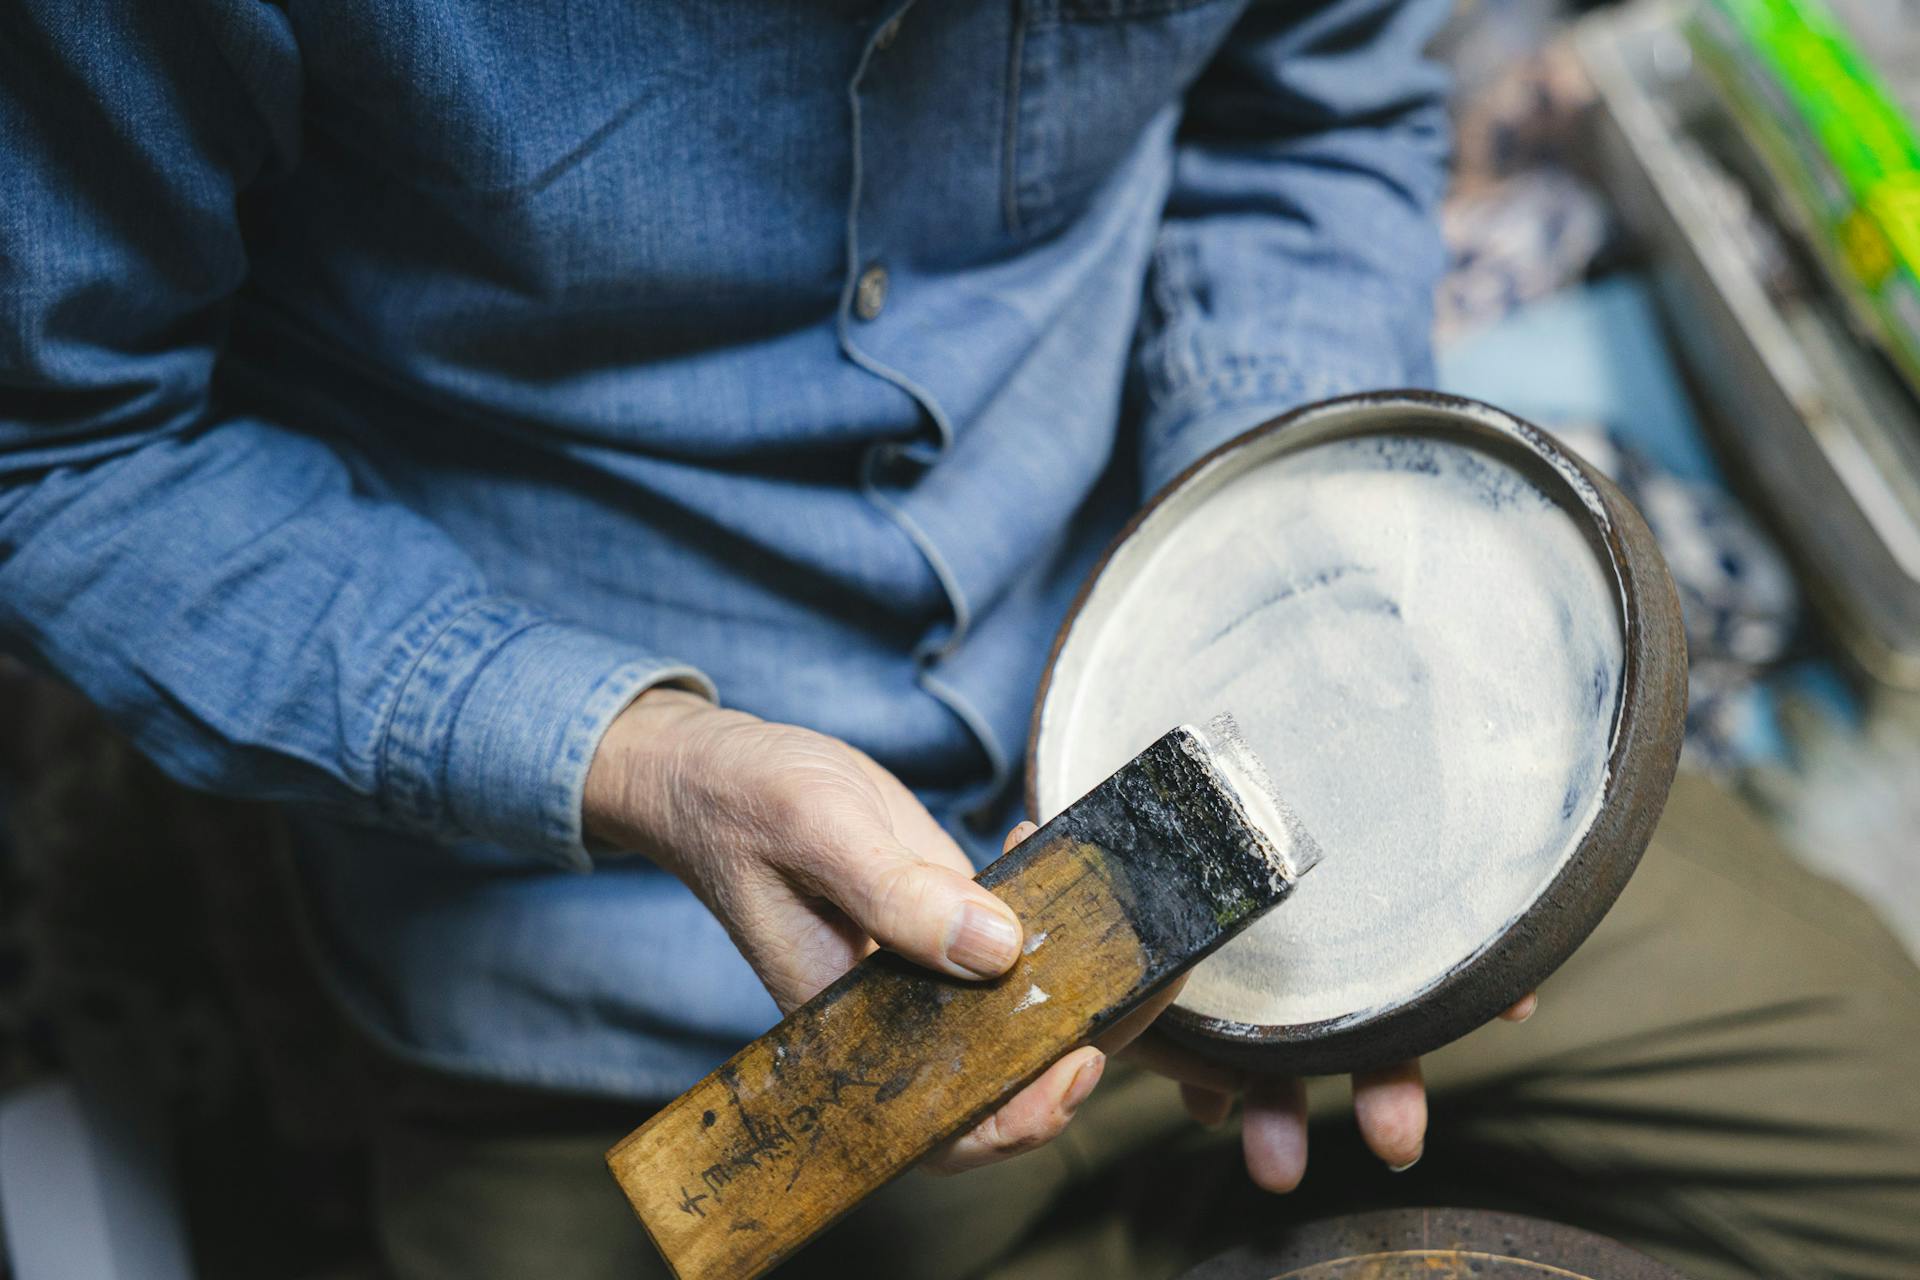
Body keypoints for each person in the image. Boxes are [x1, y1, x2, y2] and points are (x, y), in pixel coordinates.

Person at [3, 2, 1917, 1277]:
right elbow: (56, 459)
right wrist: (648, 765)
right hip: (618, 981)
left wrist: (1288, 599)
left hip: (1246, 755)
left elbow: (1304, 111)